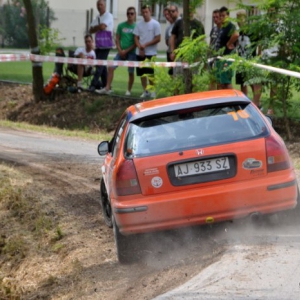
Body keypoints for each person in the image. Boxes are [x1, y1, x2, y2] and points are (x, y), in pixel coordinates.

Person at [96, 7, 137, 96]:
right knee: (111, 67)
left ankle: (128, 91)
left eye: (132, 13)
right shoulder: (121, 26)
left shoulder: (136, 26)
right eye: (128, 13)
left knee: (130, 71)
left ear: (135, 15)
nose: (130, 15)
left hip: (131, 52)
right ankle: (107, 88)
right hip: (121, 51)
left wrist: (126, 51)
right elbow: (117, 39)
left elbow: (136, 42)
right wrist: (120, 50)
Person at [133, 4, 161, 98]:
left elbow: (158, 38)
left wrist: (145, 45)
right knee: (142, 73)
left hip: (151, 52)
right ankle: (145, 90)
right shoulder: (138, 24)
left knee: (150, 73)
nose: (145, 14)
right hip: (140, 52)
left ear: (150, 12)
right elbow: (136, 37)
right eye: (143, 12)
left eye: (146, 12)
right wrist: (140, 47)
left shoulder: (155, 24)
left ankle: (153, 90)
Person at [235, 10, 261, 107]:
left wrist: (259, 55)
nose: (239, 20)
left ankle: (257, 102)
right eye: (237, 18)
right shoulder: (239, 31)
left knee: (253, 82)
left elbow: (258, 43)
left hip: (250, 60)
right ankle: (244, 102)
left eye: (241, 17)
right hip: (241, 60)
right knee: (243, 83)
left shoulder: (251, 31)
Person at [89, 0, 113, 91]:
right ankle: (106, 86)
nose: (99, 6)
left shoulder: (108, 15)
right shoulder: (97, 17)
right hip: (99, 44)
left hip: (106, 44)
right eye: (98, 5)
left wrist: (97, 28)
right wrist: (99, 27)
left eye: (101, 4)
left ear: (105, 6)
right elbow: (90, 30)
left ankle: (93, 84)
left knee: (99, 65)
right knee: (101, 65)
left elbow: (103, 27)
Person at [215, 6, 239, 89]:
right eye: (220, 16)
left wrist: (229, 43)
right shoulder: (223, 27)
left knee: (226, 81)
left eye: (224, 15)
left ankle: (231, 99)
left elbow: (236, 34)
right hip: (221, 57)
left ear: (228, 16)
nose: (222, 17)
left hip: (227, 57)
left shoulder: (230, 26)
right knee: (221, 81)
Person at [164, 5, 181, 76]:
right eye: (169, 12)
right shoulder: (169, 26)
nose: (170, 14)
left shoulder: (180, 22)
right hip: (170, 53)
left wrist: (174, 51)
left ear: (177, 12)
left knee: (178, 74)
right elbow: (167, 40)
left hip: (178, 53)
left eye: (173, 11)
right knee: (172, 74)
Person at [208, 9, 221, 90]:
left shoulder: (224, 29)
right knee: (211, 79)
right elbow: (210, 43)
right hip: (212, 57)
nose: (215, 19)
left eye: (217, 17)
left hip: (220, 58)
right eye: (213, 17)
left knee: (219, 80)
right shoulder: (213, 29)